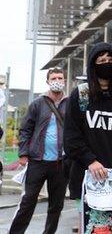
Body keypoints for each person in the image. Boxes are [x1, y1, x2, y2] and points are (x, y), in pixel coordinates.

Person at [63, 42, 112, 233]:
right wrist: (90, 160)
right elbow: (71, 137)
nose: (106, 63)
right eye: (101, 60)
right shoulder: (81, 95)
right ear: (92, 64)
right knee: (94, 228)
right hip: (88, 176)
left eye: (110, 59)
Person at [9, 67, 69, 234]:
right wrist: (23, 153)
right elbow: (25, 129)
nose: (57, 81)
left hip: (60, 163)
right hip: (37, 161)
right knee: (27, 201)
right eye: (54, 78)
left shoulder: (71, 103)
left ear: (64, 80)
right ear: (48, 81)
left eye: (60, 77)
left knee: (56, 205)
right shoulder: (38, 103)